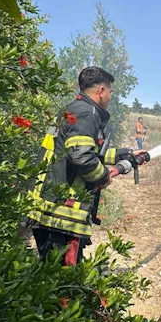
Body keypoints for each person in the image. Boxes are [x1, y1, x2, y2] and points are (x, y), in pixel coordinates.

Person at [27, 67, 135, 265]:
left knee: (54, 272)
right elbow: (82, 158)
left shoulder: (72, 109)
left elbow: (74, 150)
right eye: (110, 92)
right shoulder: (87, 113)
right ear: (101, 91)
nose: (110, 97)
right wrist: (104, 177)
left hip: (47, 205)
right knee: (60, 278)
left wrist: (122, 154)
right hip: (59, 213)